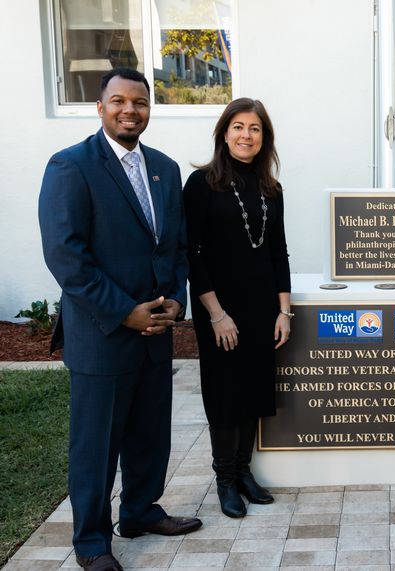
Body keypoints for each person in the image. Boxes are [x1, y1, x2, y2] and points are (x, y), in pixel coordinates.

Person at [38, 68, 201, 571]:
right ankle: (91, 541)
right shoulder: (71, 166)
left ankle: (139, 511)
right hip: (104, 333)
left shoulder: (165, 169)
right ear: (100, 107)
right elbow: (67, 256)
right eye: (119, 101)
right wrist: (123, 312)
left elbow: (173, 245)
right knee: (97, 445)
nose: (130, 110)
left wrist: (176, 299)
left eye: (140, 102)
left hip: (155, 331)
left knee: (150, 433)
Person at [184, 98, 292, 518]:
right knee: (224, 393)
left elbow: (278, 251)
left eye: (255, 128)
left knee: (253, 388)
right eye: (238, 126)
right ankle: (225, 479)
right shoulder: (202, 184)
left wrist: (284, 311)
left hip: (262, 307)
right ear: (224, 133)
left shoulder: (271, 189)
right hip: (220, 311)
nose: (246, 135)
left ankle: (245, 472)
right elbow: (191, 253)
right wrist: (216, 313)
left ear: (264, 138)